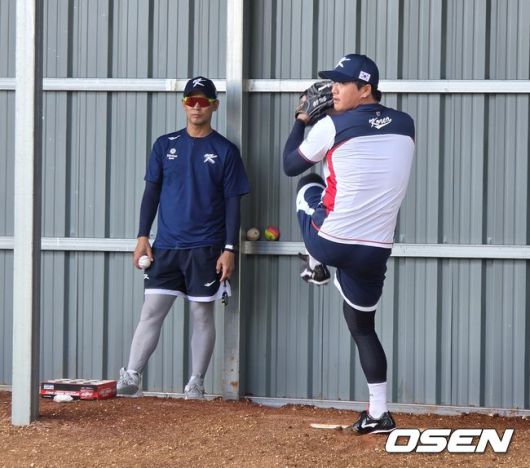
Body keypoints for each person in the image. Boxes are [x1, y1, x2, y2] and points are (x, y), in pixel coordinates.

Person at [283, 54, 415, 434]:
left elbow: (290, 164)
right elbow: (372, 144)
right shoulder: (406, 123)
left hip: (332, 243)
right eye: (334, 82)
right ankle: (379, 413)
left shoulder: (331, 125)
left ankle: (316, 266)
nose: (334, 89)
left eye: (342, 83)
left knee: (307, 184)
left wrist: (301, 121)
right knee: (362, 326)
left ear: (366, 89)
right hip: (375, 250)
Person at [117, 76, 249, 399]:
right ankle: (131, 375)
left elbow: (233, 203)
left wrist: (229, 249)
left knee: (201, 314)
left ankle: (195, 383)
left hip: (206, 249)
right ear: (184, 104)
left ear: (214, 106)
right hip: (166, 247)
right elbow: (151, 193)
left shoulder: (225, 151)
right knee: (151, 310)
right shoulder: (164, 145)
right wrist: (142, 236)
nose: (197, 107)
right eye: (191, 100)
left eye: (203, 101)